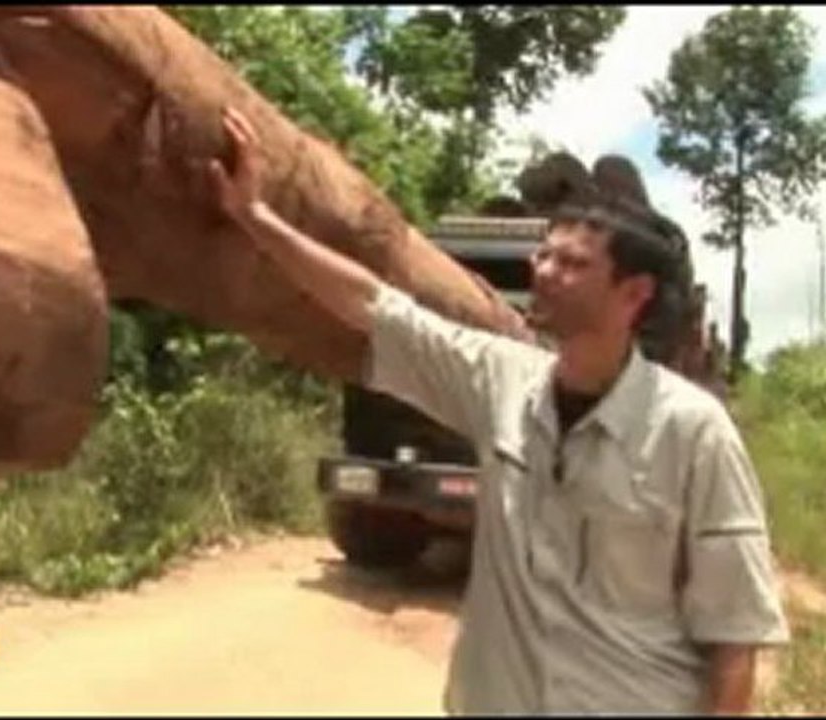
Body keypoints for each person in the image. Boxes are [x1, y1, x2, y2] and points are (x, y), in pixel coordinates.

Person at [205, 106, 789, 715]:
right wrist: (254, 215)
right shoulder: (501, 382)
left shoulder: (693, 433)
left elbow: (735, 637)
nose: (543, 272)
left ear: (633, 294)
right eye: (545, 255)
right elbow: (374, 305)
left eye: (572, 264)